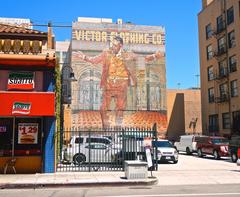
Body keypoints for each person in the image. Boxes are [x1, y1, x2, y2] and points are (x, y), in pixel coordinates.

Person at [73, 36, 164, 127]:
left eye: (115, 45)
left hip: (122, 86)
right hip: (109, 85)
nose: (113, 47)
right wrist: (84, 57)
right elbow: (94, 60)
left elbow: (142, 58)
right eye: (112, 45)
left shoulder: (127, 54)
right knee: (103, 108)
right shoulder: (106, 53)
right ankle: (106, 126)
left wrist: (154, 56)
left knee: (120, 108)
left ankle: (118, 128)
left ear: (121, 45)